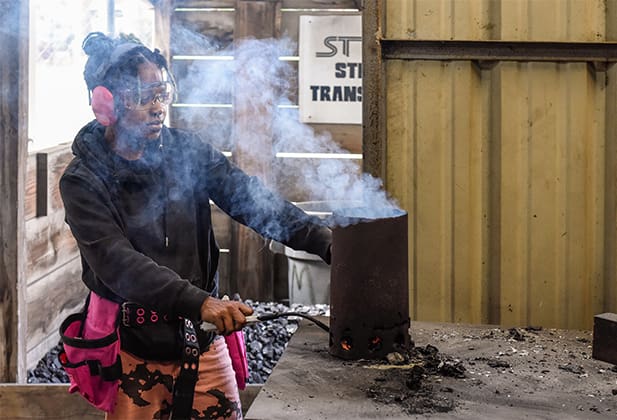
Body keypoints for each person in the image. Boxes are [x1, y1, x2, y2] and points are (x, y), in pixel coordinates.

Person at [59, 32, 332, 419]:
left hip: (200, 343)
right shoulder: (83, 179)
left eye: (162, 94)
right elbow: (117, 263)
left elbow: (252, 200)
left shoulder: (188, 151)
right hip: (132, 351)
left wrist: (324, 242)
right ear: (107, 104)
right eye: (143, 97)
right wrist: (202, 303)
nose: (158, 108)